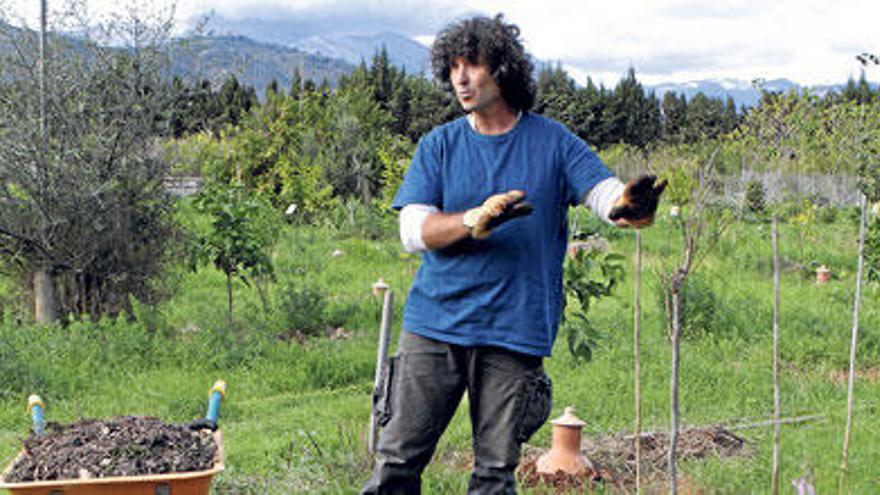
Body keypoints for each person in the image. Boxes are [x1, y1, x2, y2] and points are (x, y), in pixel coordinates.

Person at [363, 14, 665, 494]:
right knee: (397, 464)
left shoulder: (553, 143)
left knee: (493, 475)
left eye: (473, 65)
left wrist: (630, 205)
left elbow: (606, 194)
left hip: (514, 329)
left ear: (502, 69)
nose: (460, 77)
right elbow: (411, 230)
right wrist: (471, 220)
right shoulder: (439, 145)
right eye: (453, 67)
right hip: (435, 325)